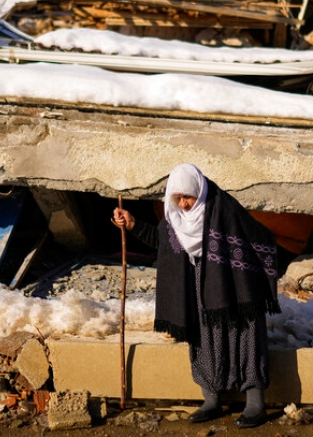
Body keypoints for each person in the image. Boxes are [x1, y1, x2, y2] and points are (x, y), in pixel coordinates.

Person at [112, 163, 280, 428]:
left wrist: (252, 275)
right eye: (177, 198)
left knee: (244, 333)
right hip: (196, 286)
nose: (184, 204)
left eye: (187, 197)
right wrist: (132, 224)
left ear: (198, 192)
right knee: (203, 337)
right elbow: (163, 242)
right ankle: (212, 400)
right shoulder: (174, 216)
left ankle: (255, 403)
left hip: (233, 284)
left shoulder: (223, 207)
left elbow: (255, 236)